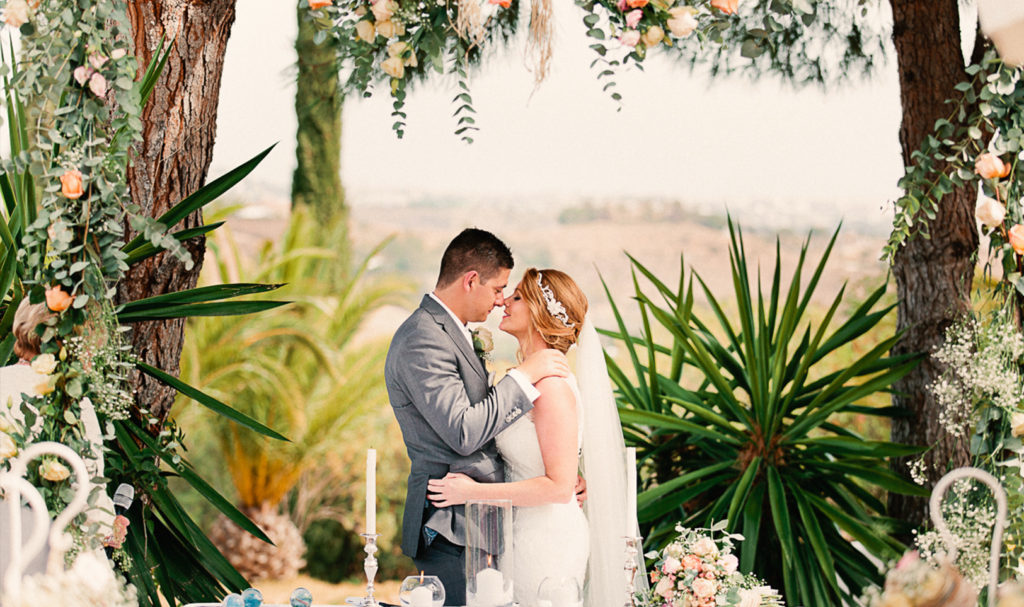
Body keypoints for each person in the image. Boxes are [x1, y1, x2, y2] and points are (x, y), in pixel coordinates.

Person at [428, 268, 644, 607]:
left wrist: (473, 493)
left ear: (541, 312)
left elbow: (559, 488)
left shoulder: (552, 386)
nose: (504, 303)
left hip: (546, 540)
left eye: (517, 298)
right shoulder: (531, 379)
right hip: (520, 532)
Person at [385, 229, 570, 606]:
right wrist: (523, 376)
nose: (501, 301)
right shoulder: (422, 337)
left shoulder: (452, 333)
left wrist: (563, 475)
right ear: (471, 280)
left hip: (483, 523)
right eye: (499, 288)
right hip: (449, 523)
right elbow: (464, 432)